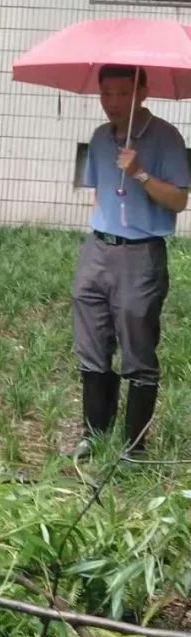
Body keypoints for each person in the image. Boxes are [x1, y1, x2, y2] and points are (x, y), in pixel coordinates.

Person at [70, 64, 189, 460]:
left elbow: (178, 200)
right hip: (98, 249)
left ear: (143, 91)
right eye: (107, 94)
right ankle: (93, 434)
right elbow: (99, 193)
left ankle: (134, 446)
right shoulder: (101, 138)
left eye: (123, 93)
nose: (114, 103)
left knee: (137, 347)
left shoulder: (166, 138)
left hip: (141, 254)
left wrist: (139, 174)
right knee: (91, 342)